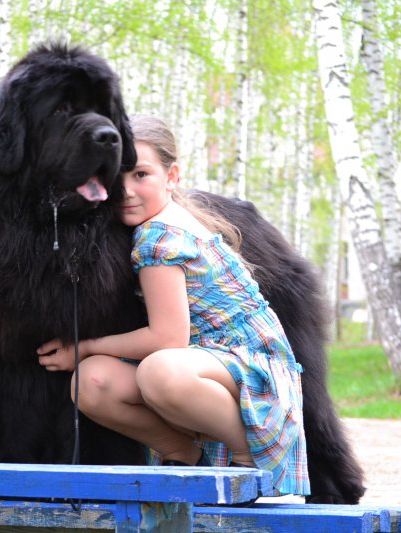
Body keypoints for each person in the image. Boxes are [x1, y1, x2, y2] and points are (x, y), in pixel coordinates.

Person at [37, 115, 310, 496]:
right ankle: (184, 454)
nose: (126, 190)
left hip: (254, 373)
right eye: (117, 176)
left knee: (159, 371)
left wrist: (83, 347)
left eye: (141, 175)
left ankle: (250, 459)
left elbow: (168, 338)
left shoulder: (159, 237)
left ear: (172, 176)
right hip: (210, 365)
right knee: (91, 381)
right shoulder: (159, 221)